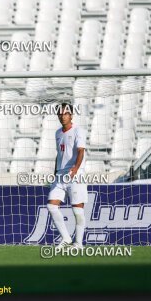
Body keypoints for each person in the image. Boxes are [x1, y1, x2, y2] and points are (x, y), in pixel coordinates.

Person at [47, 103, 87, 249]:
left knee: (77, 210)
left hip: (76, 174)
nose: (62, 116)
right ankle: (65, 238)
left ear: (71, 115)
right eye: (60, 114)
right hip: (60, 175)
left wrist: (75, 169)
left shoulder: (78, 131)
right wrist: (55, 172)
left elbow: (81, 151)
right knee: (51, 206)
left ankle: (79, 243)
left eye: (65, 114)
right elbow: (59, 154)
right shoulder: (57, 133)